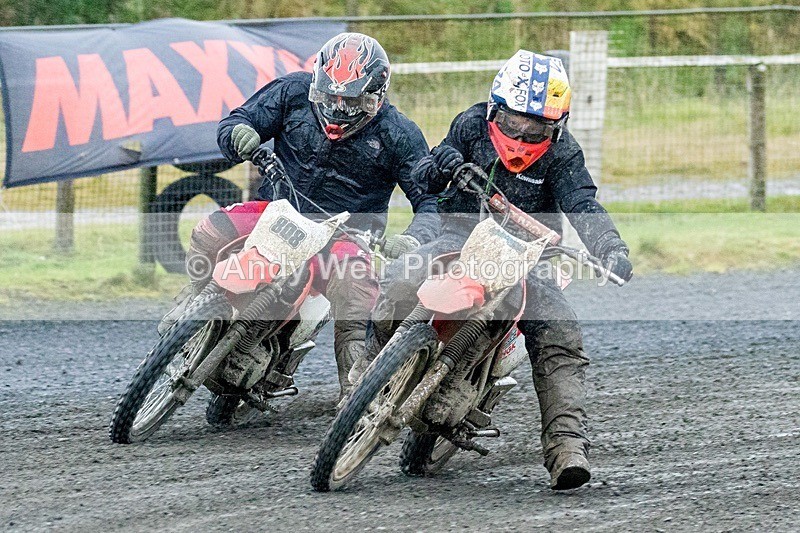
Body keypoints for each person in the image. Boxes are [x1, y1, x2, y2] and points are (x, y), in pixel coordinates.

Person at [353, 50, 633, 490]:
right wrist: (439, 164)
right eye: (513, 122)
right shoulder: (469, 124)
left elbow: (583, 204)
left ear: (555, 127)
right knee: (402, 277)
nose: (521, 134)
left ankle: (566, 448)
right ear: (493, 108)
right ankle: (368, 373)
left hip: (529, 259)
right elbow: (426, 177)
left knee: (561, 337)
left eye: (536, 126)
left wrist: (610, 247)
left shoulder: (565, 154)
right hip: (457, 237)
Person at [167, 33, 439, 399]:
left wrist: (413, 238)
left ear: (378, 95)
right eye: (330, 98)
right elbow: (237, 121)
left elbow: (431, 200)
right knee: (210, 231)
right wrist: (241, 135)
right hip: (276, 210)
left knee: (357, 295)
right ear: (316, 84)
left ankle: (357, 397)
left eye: (352, 100)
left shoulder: (399, 134)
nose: (339, 109)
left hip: (345, 235)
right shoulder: (291, 92)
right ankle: (197, 299)